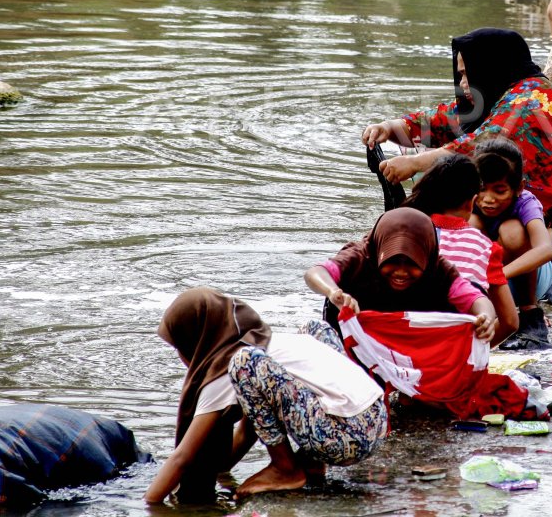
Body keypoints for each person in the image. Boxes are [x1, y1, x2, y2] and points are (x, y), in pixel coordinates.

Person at [361, 28, 552, 250]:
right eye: (461, 75)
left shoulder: (528, 100)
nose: (463, 84)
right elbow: (445, 120)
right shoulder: (511, 90)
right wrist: (390, 127)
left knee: (501, 235)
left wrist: (416, 163)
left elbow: (478, 145)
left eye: (466, 74)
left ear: (489, 67)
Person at [144, 287, 387, 503]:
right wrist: (222, 473)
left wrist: (149, 502)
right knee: (314, 328)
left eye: (179, 347)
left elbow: (183, 457)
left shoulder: (233, 364)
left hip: (346, 438)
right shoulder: (271, 343)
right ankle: (312, 464)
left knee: (244, 362)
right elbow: (252, 429)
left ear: (195, 342)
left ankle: (286, 469)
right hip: (377, 421)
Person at [304, 207, 498, 342]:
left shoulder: (439, 270)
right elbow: (315, 272)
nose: (400, 272)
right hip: (356, 341)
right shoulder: (359, 257)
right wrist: (334, 292)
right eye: (392, 262)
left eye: (412, 265)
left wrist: (486, 318)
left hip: (413, 344)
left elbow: (476, 298)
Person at [399, 153, 521, 344]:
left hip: (405, 340)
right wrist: (475, 348)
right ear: (471, 202)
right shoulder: (486, 247)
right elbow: (511, 322)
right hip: (455, 350)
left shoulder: (407, 231)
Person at [470, 137, 552, 344]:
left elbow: (546, 250)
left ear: (518, 187)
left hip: (528, 279)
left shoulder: (526, 202)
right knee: (470, 225)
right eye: (482, 189)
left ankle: (530, 312)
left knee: (512, 230)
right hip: (487, 285)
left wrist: (497, 276)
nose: (488, 199)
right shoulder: (467, 200)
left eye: (499, 191)